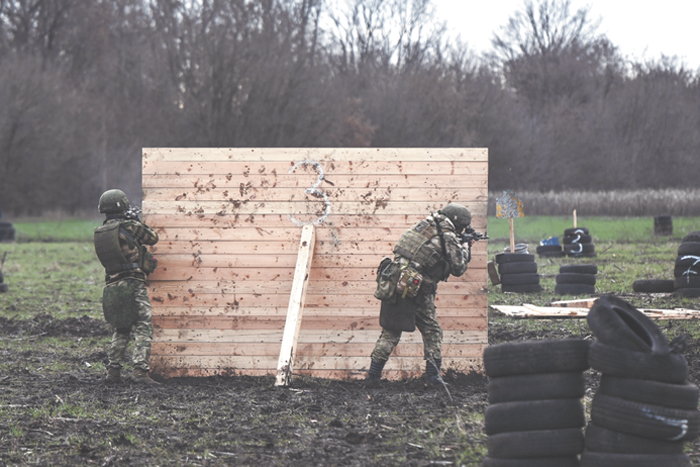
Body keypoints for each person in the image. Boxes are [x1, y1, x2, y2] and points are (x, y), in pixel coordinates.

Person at [367, 203, 473, 385]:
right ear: (459, 224)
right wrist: (465, 246)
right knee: (432, 331)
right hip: (416, 289)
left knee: (390, 332)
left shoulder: (423, 226)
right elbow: (459, 268)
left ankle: (372, 376)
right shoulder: (447, 236)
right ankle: (433, 377)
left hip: (394, 281)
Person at [94, 189, 160, 385]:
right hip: (133, 283)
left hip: (113, 284)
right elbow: (152, 237)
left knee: (121, 328)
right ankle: (140, 371)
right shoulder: (130, 226)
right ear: (122, 206)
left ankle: (113, 372)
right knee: (143, 325)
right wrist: (137, 221)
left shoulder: (101, 231)